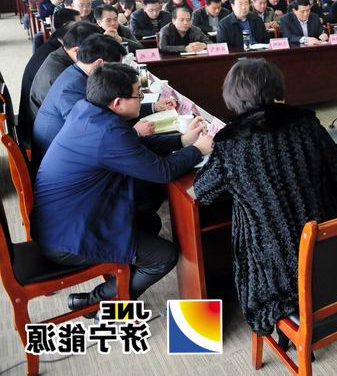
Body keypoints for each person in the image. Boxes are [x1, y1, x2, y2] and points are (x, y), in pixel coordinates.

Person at [33, 63, 212, 312]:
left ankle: (116, 282)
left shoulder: (88, 111)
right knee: (164, 256)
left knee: (149, 222)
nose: (141, 100)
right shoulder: (105, 132)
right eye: (138, 95)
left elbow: (135, 147)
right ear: (117, 102)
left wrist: (182, 141)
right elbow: (162, 172)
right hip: (68, 238)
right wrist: (198, 150)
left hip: (70, 218)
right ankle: (99, 303)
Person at [194, 58, 337, 335]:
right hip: (323, 248)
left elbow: (203, 191)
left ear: (232, 95)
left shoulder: (230, 141)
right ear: (277, 87)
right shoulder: (306, 122)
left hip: (273, 269)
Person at [32, 34, 127, 167]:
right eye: (116, 67)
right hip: (62, 162)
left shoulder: (76, 73)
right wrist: (135, 132)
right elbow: (89, 130)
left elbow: (108, 108)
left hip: (70, 150)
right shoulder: (72, 88)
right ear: (99, 63)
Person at [18, 8, 81, 146]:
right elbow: (73, 116)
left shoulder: (57, 47)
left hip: (39, 121)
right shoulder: (54, 59)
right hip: (38, 133)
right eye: (79, 25)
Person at [28, 21, 103, 123]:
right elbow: (80, 118)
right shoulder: (57, 74)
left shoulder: (62, 54)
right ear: (77, 50)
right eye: (96, 49)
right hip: (55, 128)